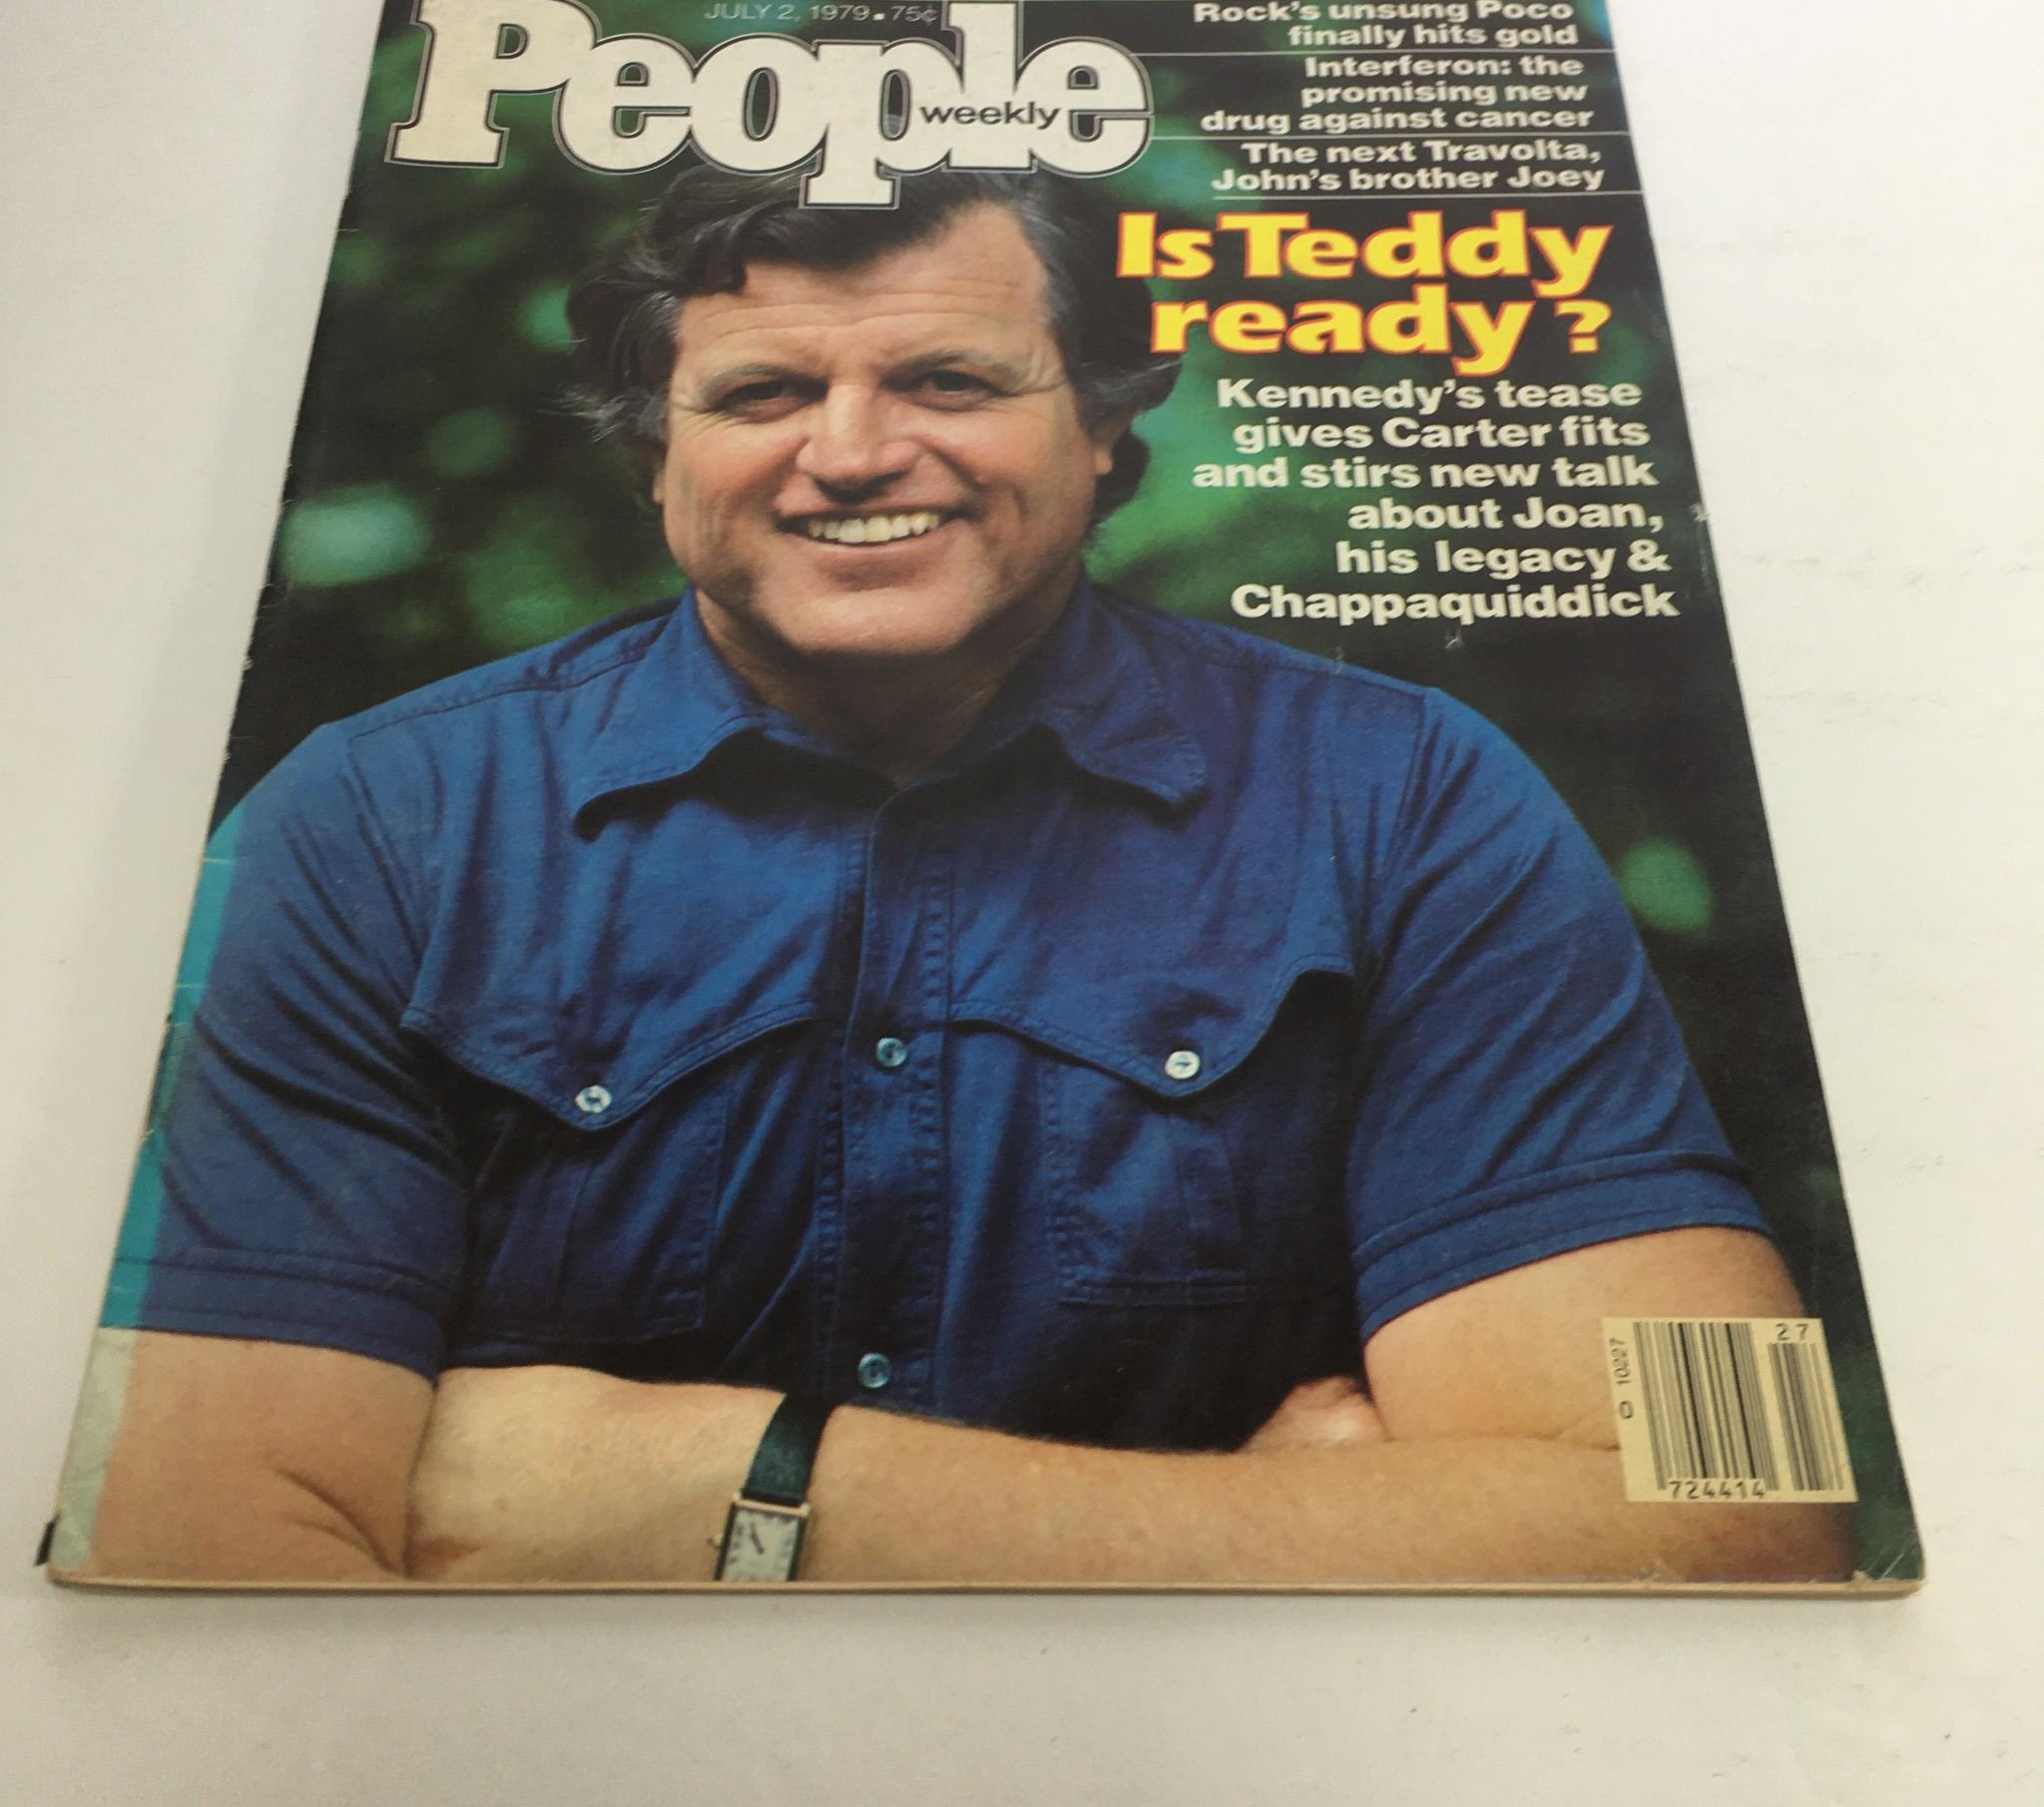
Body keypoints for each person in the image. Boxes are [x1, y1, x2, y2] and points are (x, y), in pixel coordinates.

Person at [71, 166, 1845, 1585]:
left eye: (947, 378)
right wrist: (1300, 1537)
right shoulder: (370, 829)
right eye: (763, 390)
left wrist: (740, 1490)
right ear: (657, 458)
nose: (850, 450)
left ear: (1101, 431)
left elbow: (1736, 1519)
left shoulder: (1412, 800)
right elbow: (202, 1564)